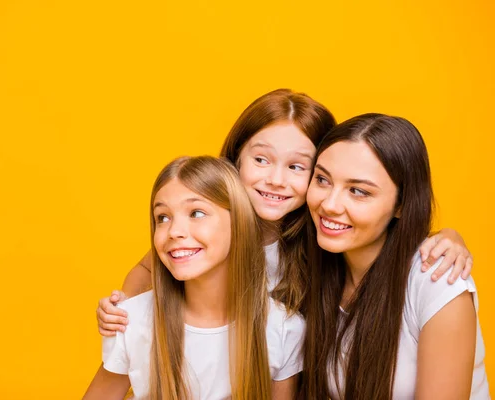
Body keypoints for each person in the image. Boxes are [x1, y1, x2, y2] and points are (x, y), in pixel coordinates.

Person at [96, 89, 473, 336]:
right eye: (261, 159)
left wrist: (447, 236)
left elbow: (385, 235)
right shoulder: (207, 222)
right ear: (235, 159)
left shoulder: (326, 231)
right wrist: (123, 309)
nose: (276, 180)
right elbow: (149, 267)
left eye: (297, 167)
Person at [82, 156, 306, 400]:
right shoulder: (131, 321)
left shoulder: (284, 329)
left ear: (239, 222)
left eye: (196, 213)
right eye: (162, 218)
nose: (175, 231)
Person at [302, 113, 488, 399]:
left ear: (401, 204)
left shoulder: (438, 282)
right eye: (322, 179)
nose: (329, 204)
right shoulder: (314, 266)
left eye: (358, 191)